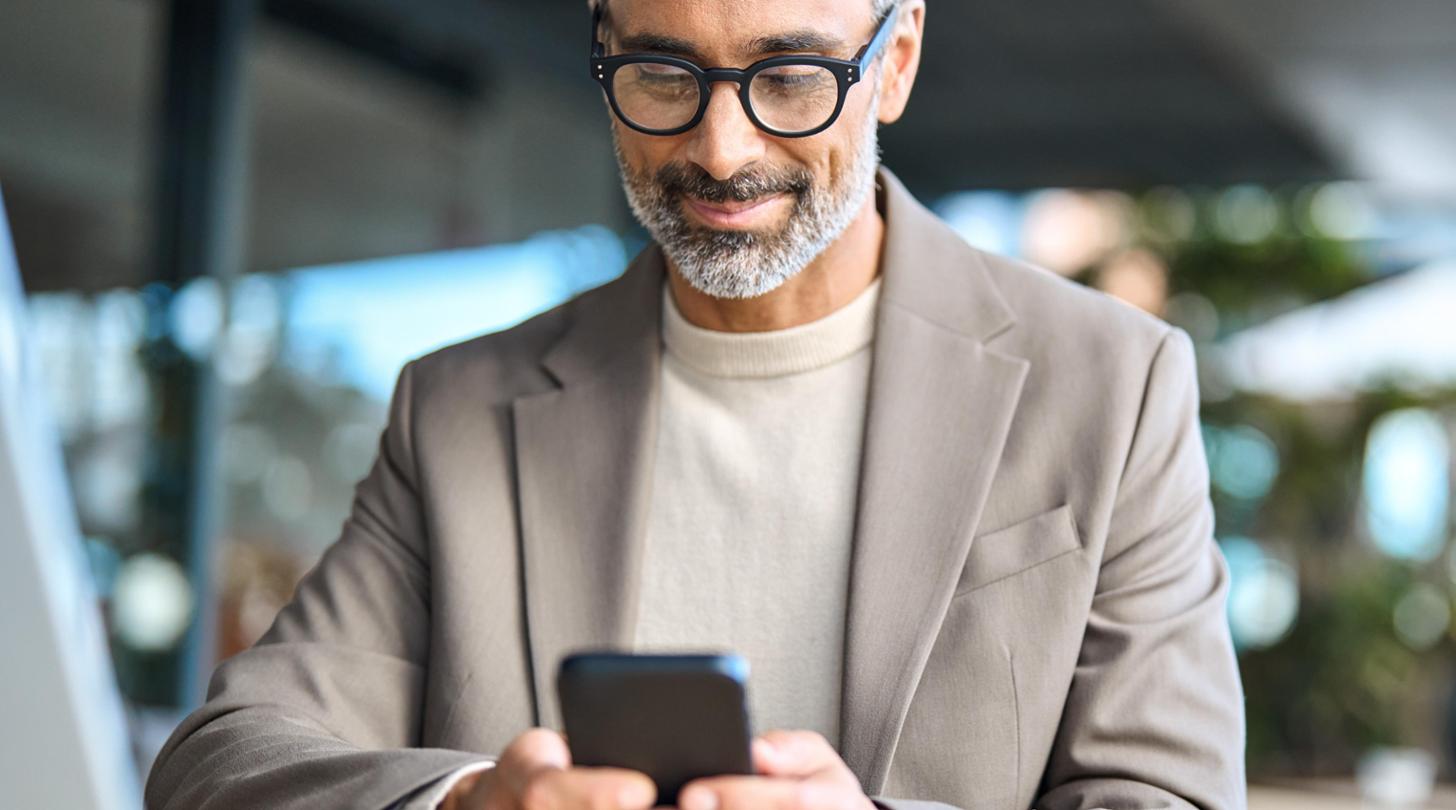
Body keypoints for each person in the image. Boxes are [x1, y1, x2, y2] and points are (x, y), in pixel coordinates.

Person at [144, 0, 1244, 807]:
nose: (722, 151)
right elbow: (220, 765)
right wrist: (470, 804)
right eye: (664, 74)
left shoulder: (1111, 386)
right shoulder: (458, 412)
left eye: (793, 76)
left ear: (896, 60)